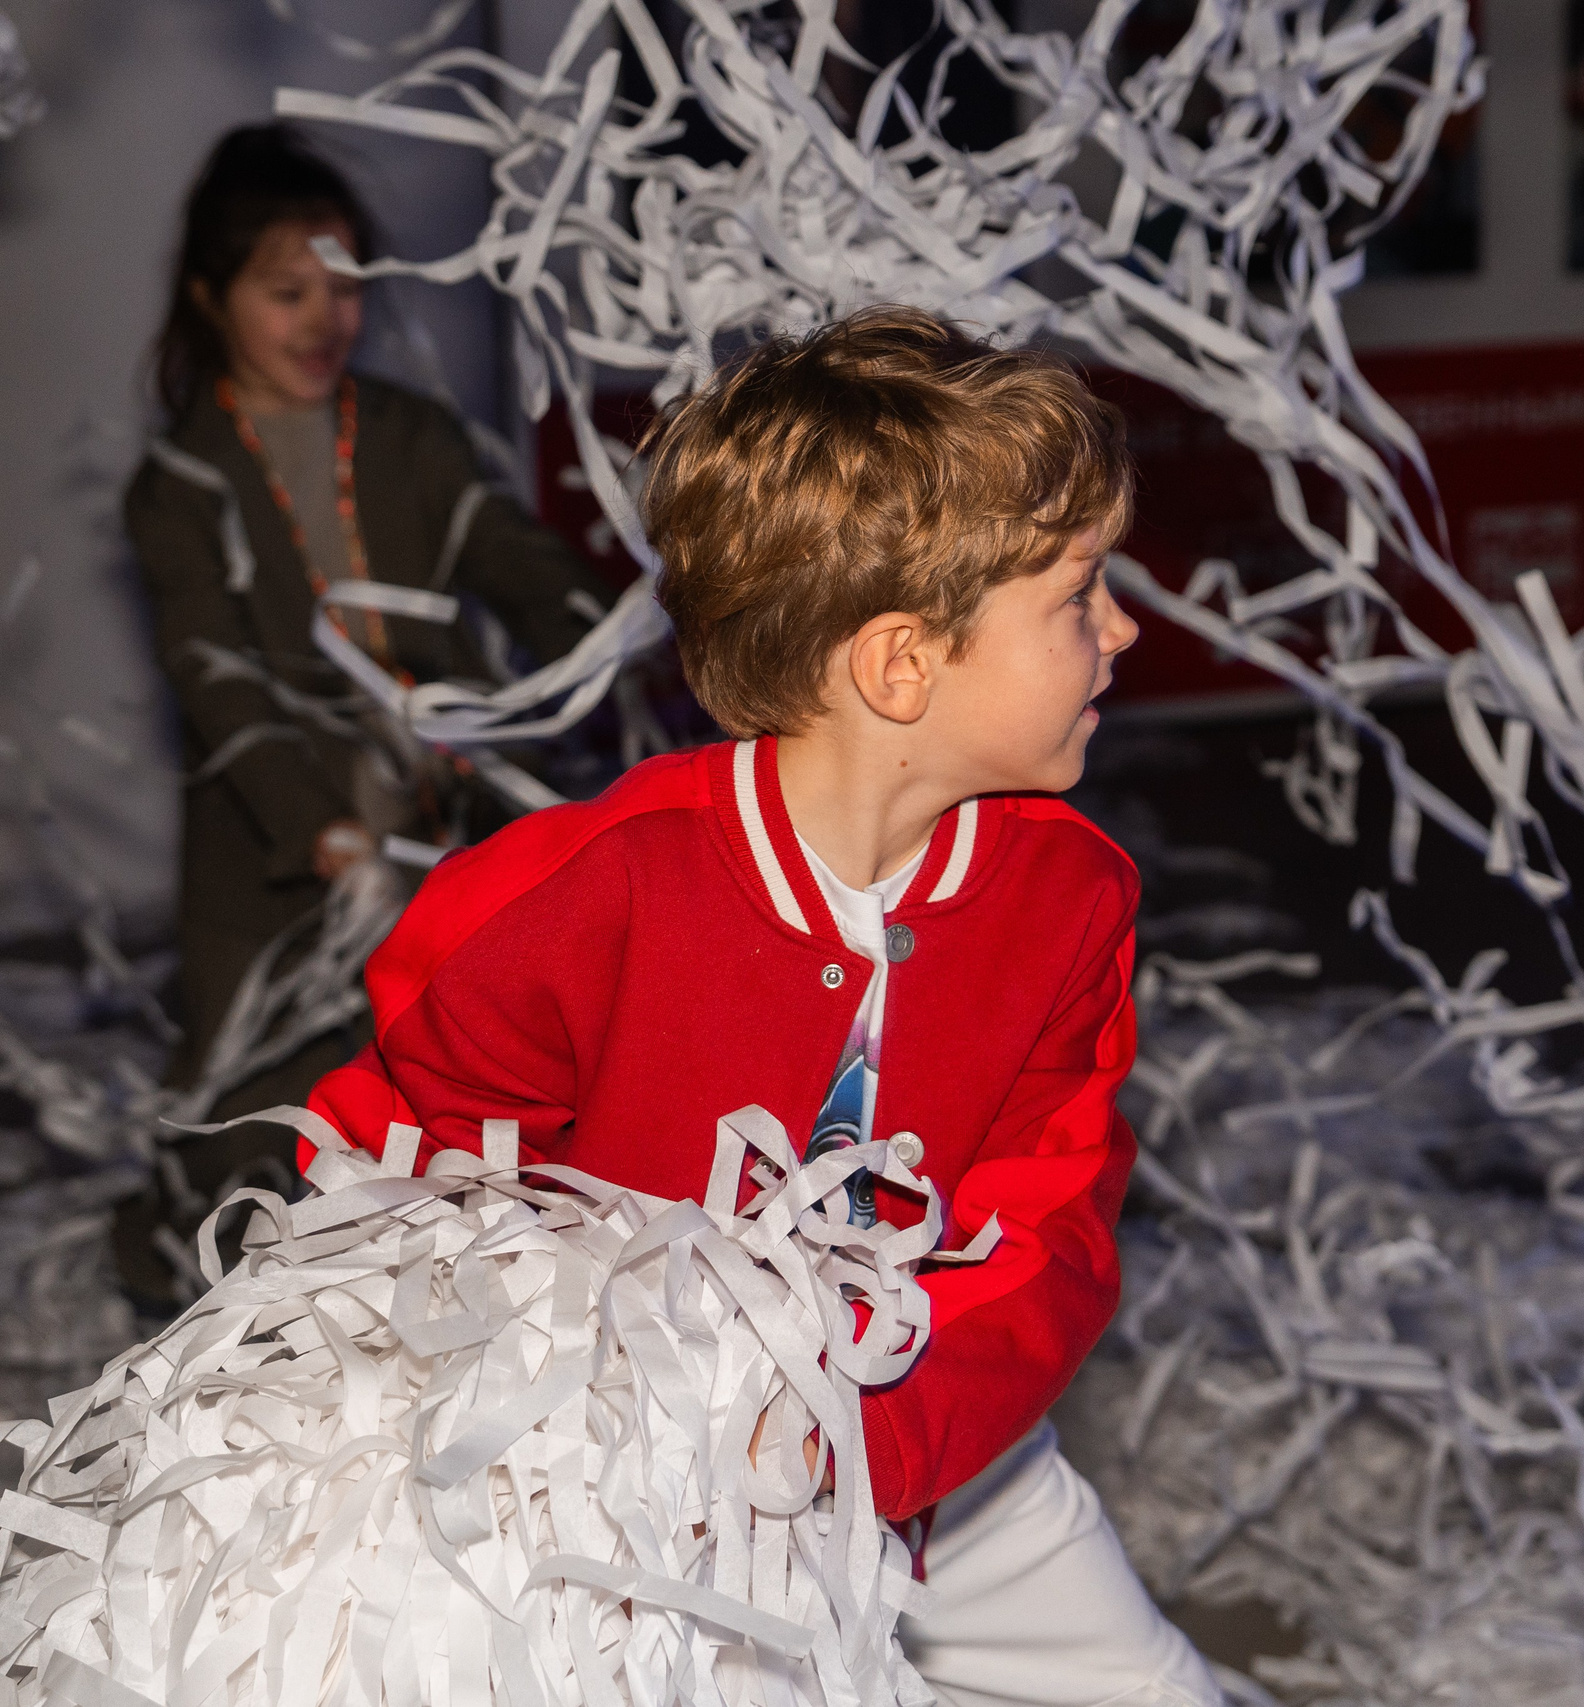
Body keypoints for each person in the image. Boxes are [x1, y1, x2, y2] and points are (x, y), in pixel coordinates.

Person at [301, 307, 1221, 1707]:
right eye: (1078, 592)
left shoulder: (1070, 895)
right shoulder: (574, 897)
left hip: (945, 1461)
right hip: (632, 1515)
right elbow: (394, 1193)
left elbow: (1046, 1227)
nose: (1123, 626)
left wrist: (873, 1440)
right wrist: (584, 1433)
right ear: (901, 664)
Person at [118, 125, 604, 1299]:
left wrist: (602, 638)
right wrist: (319, 829)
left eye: (344, 288)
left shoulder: (407, 437)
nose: (323, 319)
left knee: (473, 1087)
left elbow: (516, 561)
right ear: (211, 298)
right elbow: (216, 677)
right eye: (287, 292)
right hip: (277, 860)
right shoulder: (179, 484)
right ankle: (179, 1270)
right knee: (258, 1110)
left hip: (447, 821)